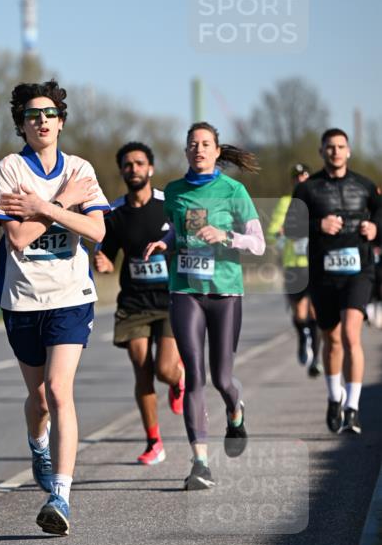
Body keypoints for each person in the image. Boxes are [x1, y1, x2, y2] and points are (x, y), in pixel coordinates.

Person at [0, 79, 108, 536]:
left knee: (59, 391)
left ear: (61, 120)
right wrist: (60, 203)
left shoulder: (81, 168)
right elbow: (17, 238)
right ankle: (38, 443)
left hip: (71, 297)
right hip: (22, 299)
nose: (41, 120)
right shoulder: (7, 171)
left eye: (49, 113)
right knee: (38, 399)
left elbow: (96, 231)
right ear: (21, 123)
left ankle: (61, 495)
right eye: (32, 114)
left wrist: (41, 208)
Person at [144, 122, 265, 491]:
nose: (198, 149)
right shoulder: (176, 192)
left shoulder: (233, 190)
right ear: (186, 152)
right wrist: (166, 242)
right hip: (185, 291)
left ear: (216, 151)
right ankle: (200, 463)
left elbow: (259, 244)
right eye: (192, 144)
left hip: (225, 293)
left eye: (205, 144)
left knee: (222, 379)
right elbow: (176, 228)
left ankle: (235, 410)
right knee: (194, 376)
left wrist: (227, 235)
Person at [284, 129, 382, 434]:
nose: (336, 152)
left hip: (358, 272)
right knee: (332, 340)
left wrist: (375, 228)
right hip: (323, 275)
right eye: (330, 147)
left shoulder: (364, 185)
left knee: (352, 336)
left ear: (348, 151)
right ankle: (333, 397)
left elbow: (381, 213)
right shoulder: (307, 189)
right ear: (321, 151)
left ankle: (352, 408)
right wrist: (317, 224)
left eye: (340, 146)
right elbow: (290, 228)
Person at [94, 141, 184, 465]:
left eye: (139, 163)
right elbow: (106, 253)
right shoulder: (115, 213)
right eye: (128, 164)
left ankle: (178, 379)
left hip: (171, 299)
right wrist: (102, 263)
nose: (134, 169)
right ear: (122, 170)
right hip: (133, 303)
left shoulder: (168, 205)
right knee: (141, 369)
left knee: (164, 369)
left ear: (151, 168)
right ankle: (154, 441)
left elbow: (188, 240)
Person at [268, 163, 322, 376]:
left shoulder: (318, 200)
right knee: (299, 314)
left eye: (304, 176)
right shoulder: (285, 202)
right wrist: (280, 232)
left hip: (314, 264)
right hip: (293, 264)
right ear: (293, 181)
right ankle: (302, 337)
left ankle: (316, 359)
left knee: (314, 313)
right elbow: (272, 232)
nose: (301, 180)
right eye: (297, 177)